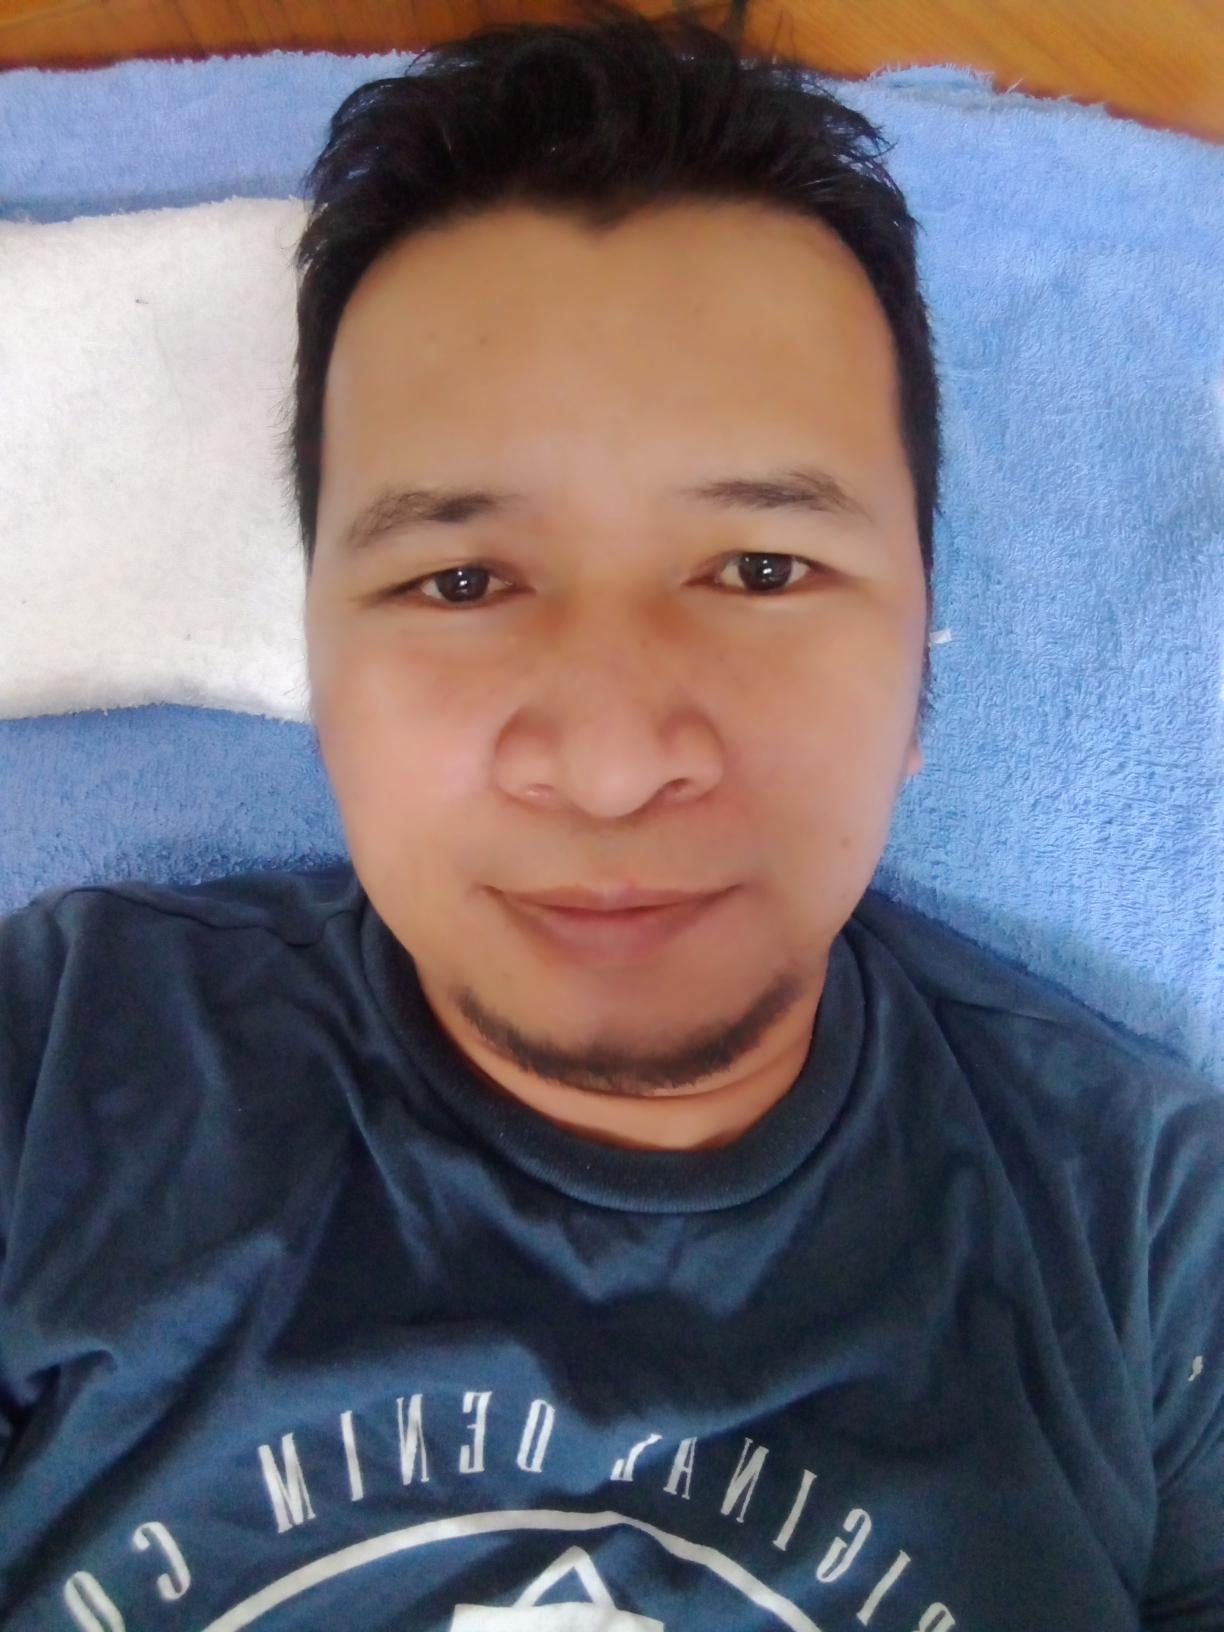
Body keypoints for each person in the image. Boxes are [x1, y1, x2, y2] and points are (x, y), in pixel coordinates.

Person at [1, 2, 1219, 1626]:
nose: (613, 763)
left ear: (925, 656)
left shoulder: (1153, 1250)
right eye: (460, 581)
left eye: (761, 569)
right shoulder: (58, 1079)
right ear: (315, 658)